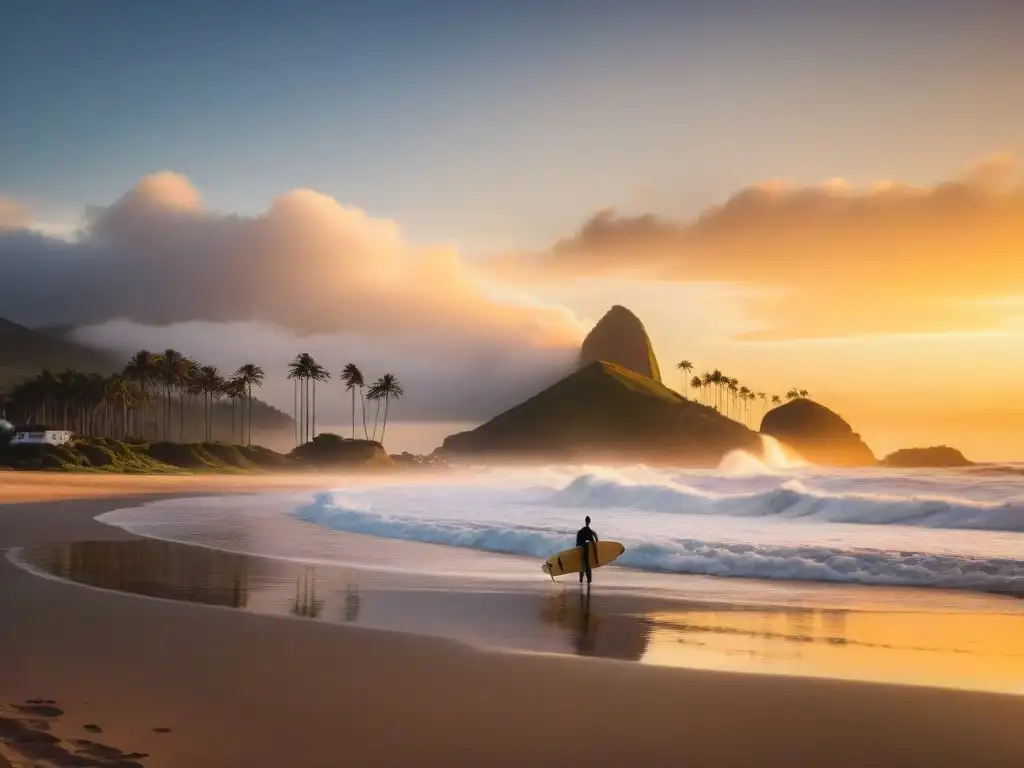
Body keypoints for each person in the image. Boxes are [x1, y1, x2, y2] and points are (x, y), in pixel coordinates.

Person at [575, 516, 599, 586]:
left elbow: (577, 543)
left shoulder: (581, 531)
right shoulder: (591, 532)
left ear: (585, 521)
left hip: (581, 548)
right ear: (589, 522)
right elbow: (596, 542)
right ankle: (589, 579)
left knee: (582, 563)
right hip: (586, 549)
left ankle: (581, 578)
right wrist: (596, 556)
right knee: (587, 564)